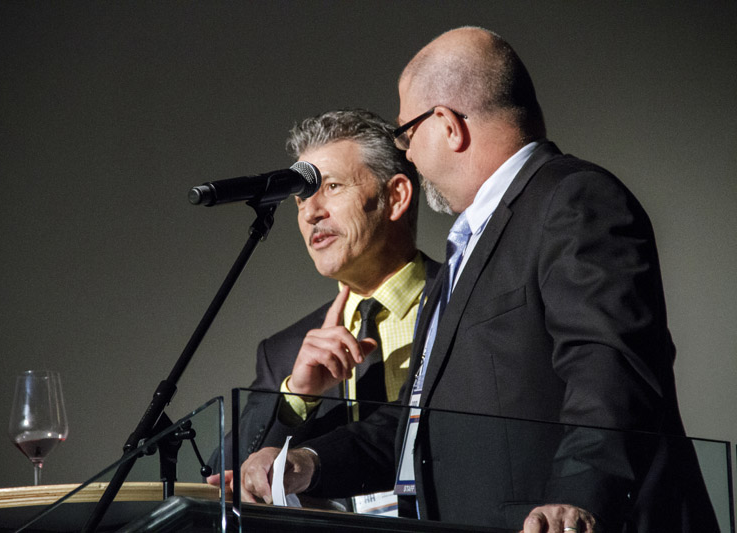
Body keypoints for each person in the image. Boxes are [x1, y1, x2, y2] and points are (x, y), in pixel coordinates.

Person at [239, 28, 719, 533]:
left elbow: (610, 368)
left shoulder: (572, 199)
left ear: (448, 126)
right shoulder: (467, 249)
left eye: (407, 134)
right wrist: (310, 462)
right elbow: (418, 424)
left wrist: (576, 498)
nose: (409, 155)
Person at [209, 109, 440, 512]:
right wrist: (296, 400)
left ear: (396, 196)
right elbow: (222, 475)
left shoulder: (467, 302)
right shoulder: (284, 352)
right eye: (301, 197)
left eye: (332, 187)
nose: (310, 212)